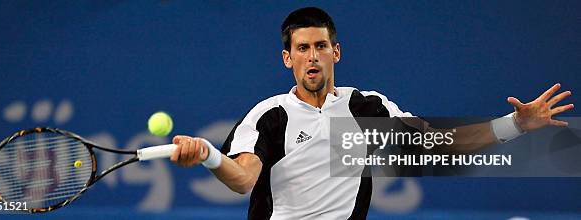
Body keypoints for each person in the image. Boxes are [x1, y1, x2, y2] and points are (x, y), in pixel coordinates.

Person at [169, 7, 574, 219]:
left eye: (321, 47)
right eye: (303, 49)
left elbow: (442, 147)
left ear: (336, 52)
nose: (313, 57)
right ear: (287, 58)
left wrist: (516, 124)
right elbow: (242, 179)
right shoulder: (270, 116)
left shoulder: (367, 107)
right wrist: (208, 155)